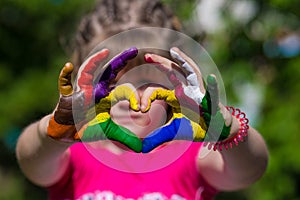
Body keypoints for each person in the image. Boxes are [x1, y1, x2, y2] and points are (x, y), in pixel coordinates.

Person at [15, 0, 269, 199]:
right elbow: (31, 159)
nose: (125, 99)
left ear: (177, 85)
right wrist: (56, 131)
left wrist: (228, 130)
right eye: (108, 84)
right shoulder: (74, 157)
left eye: (145, 83)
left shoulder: (191, 156)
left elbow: (249, 171)